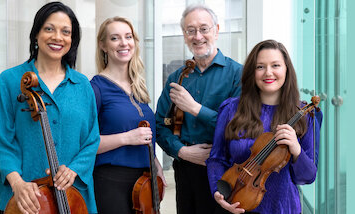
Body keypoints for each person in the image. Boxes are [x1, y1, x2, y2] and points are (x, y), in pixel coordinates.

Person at [0, 2, 100, 214]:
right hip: (25, 199)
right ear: (36, 34)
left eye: (65, 32)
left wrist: (74, 170)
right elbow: (4, 142)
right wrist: (17, 183)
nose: (57, 37)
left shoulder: (82, 85)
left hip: (73, 197)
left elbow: (92, 139)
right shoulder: (10, 80)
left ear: (72, 40)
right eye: (49, 29)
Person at [206, 39, 322, 214]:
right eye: (260, 67)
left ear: (286, 70)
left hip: (283, 208)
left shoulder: (305, 116)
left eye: (275, 65)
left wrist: (296, 149)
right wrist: (218, 193)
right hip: (237, 205)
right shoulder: (231, 109)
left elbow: (307, 177)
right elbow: (217, 159)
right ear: (252, 72)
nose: (268, 73)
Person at [155, 4, 242, 214]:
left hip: (225, 171)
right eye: (190, 30)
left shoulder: (237, 74)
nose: (198, 36)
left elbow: (239, 128)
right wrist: (182, 151)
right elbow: (160, 125)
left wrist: (195, 108)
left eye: (204, 29)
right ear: (184, 36)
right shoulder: (176, 78)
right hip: (185, 171)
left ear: (216, 30)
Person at [90, 16, 166, 214]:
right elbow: (86, 144)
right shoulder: (95, 88)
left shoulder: (138, 87)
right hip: (111, 182)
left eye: (128, 36)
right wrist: (127, 138)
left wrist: (155, 163)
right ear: (103, 45)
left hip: (144, 180)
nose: (124, 43)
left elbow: (146, 137)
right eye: (115, 38)